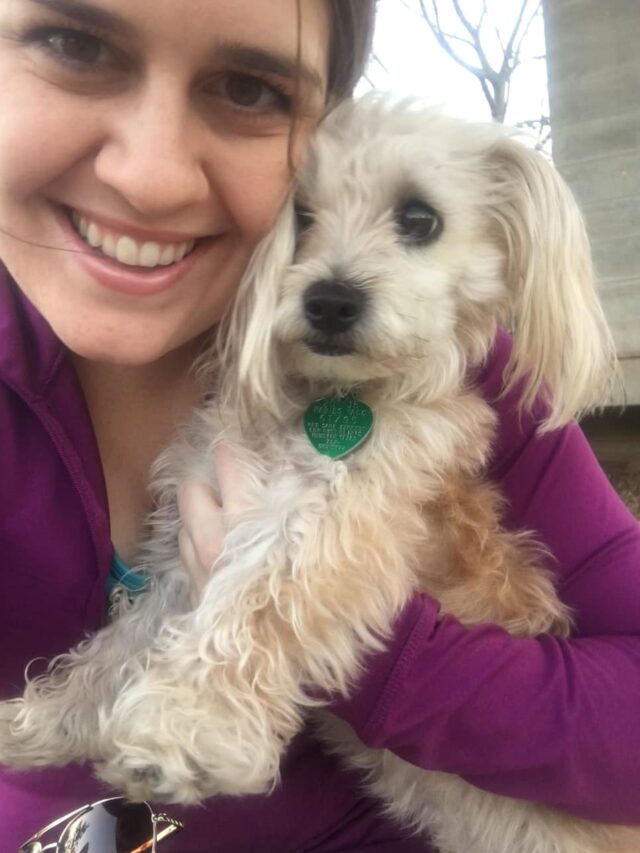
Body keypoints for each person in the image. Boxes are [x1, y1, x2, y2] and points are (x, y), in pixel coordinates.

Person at [0, 0, 638, 850]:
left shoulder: (477, 390)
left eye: (248, 88)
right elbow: (190, 581)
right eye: (72, 44)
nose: (149, 176)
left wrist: (390, 658)